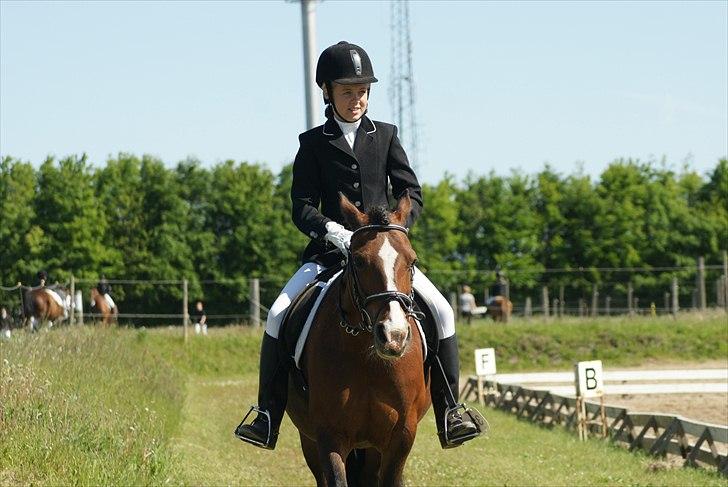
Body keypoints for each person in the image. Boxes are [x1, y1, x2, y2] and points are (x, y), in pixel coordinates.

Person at [234, 41, 482, 450]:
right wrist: (334, 231)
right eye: (348, 91)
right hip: (330, 255)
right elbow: (301, 206)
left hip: (384, 257)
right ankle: (266, 415)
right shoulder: (313, 143)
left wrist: (397, 230)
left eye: (363, 90)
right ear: (327, 92)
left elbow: (411, 191)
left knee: (442, 310)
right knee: (277, 313)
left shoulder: (385, 136)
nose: (357, 99)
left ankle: (451, 411)